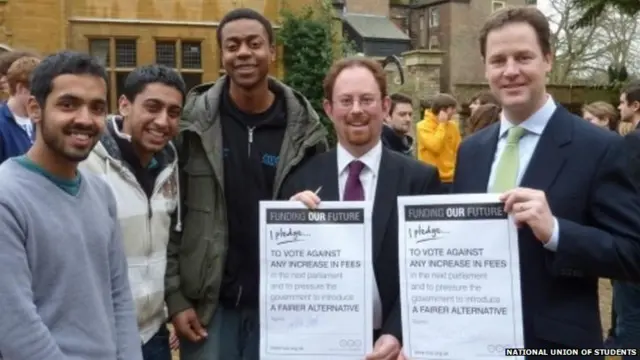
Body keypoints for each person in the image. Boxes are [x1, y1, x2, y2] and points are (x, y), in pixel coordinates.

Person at [452, 7, 640, 354]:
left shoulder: (600, 147)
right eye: (498, 60)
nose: (510, 71)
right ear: (485, 68)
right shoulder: (471, 151)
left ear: (548, 59)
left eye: (524, 57)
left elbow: (632, 254)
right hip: (474, 342)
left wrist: (556, 232)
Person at [166, 8, 328, 360]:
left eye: (254, 43)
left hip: (283, 311)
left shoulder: (306, 131)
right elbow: (167, 216)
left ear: (272, 51)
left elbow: (325, 218)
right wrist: (175, 298)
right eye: (232, 45)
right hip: (210, 309)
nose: (243, 52)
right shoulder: (190, 127)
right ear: (221, 55)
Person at [282, 56, 441, 360]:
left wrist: (398, 333)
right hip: (321, 344)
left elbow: (431, 275)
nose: (356, 110)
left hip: (396, 348)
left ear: (384, 107)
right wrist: (289, 225)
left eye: (366, 100)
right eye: (346, 101)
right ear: (329, 109)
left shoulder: (420, 179)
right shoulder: (301, 180)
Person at [0, 51, 142, 360]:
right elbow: (14, 326)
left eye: (97, 108)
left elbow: (118, 296)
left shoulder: (101, 193)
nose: (85, 119)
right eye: (68, 105)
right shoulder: (6, 196)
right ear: (35, 109)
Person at [79, 64, 185, 360]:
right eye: (152, 107)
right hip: (97, 338)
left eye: (173, 112)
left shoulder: (171, 166)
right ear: (124, 105)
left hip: (153, 334)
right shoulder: (85, 164)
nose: (163, 121)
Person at [614, 82, 640, 354]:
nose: (619, 107)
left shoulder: (634, 141)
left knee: (631, 317)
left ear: (636, 106)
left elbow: (627, 188)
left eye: (622, 102)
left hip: (635, 238)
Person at [416, 93, 461, 193]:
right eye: (452, 109)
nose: (454, 112)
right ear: (443, 110)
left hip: (451, 178)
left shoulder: (453, 126)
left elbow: (458, 150)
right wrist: (442, 125)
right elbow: (435, 146)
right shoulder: (422, 126)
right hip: (431, 179)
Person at [0, 56, 41, 163]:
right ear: (21, 88)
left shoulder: (41, 120)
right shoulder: (2, 125)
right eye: (39, 90)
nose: (43, 96)